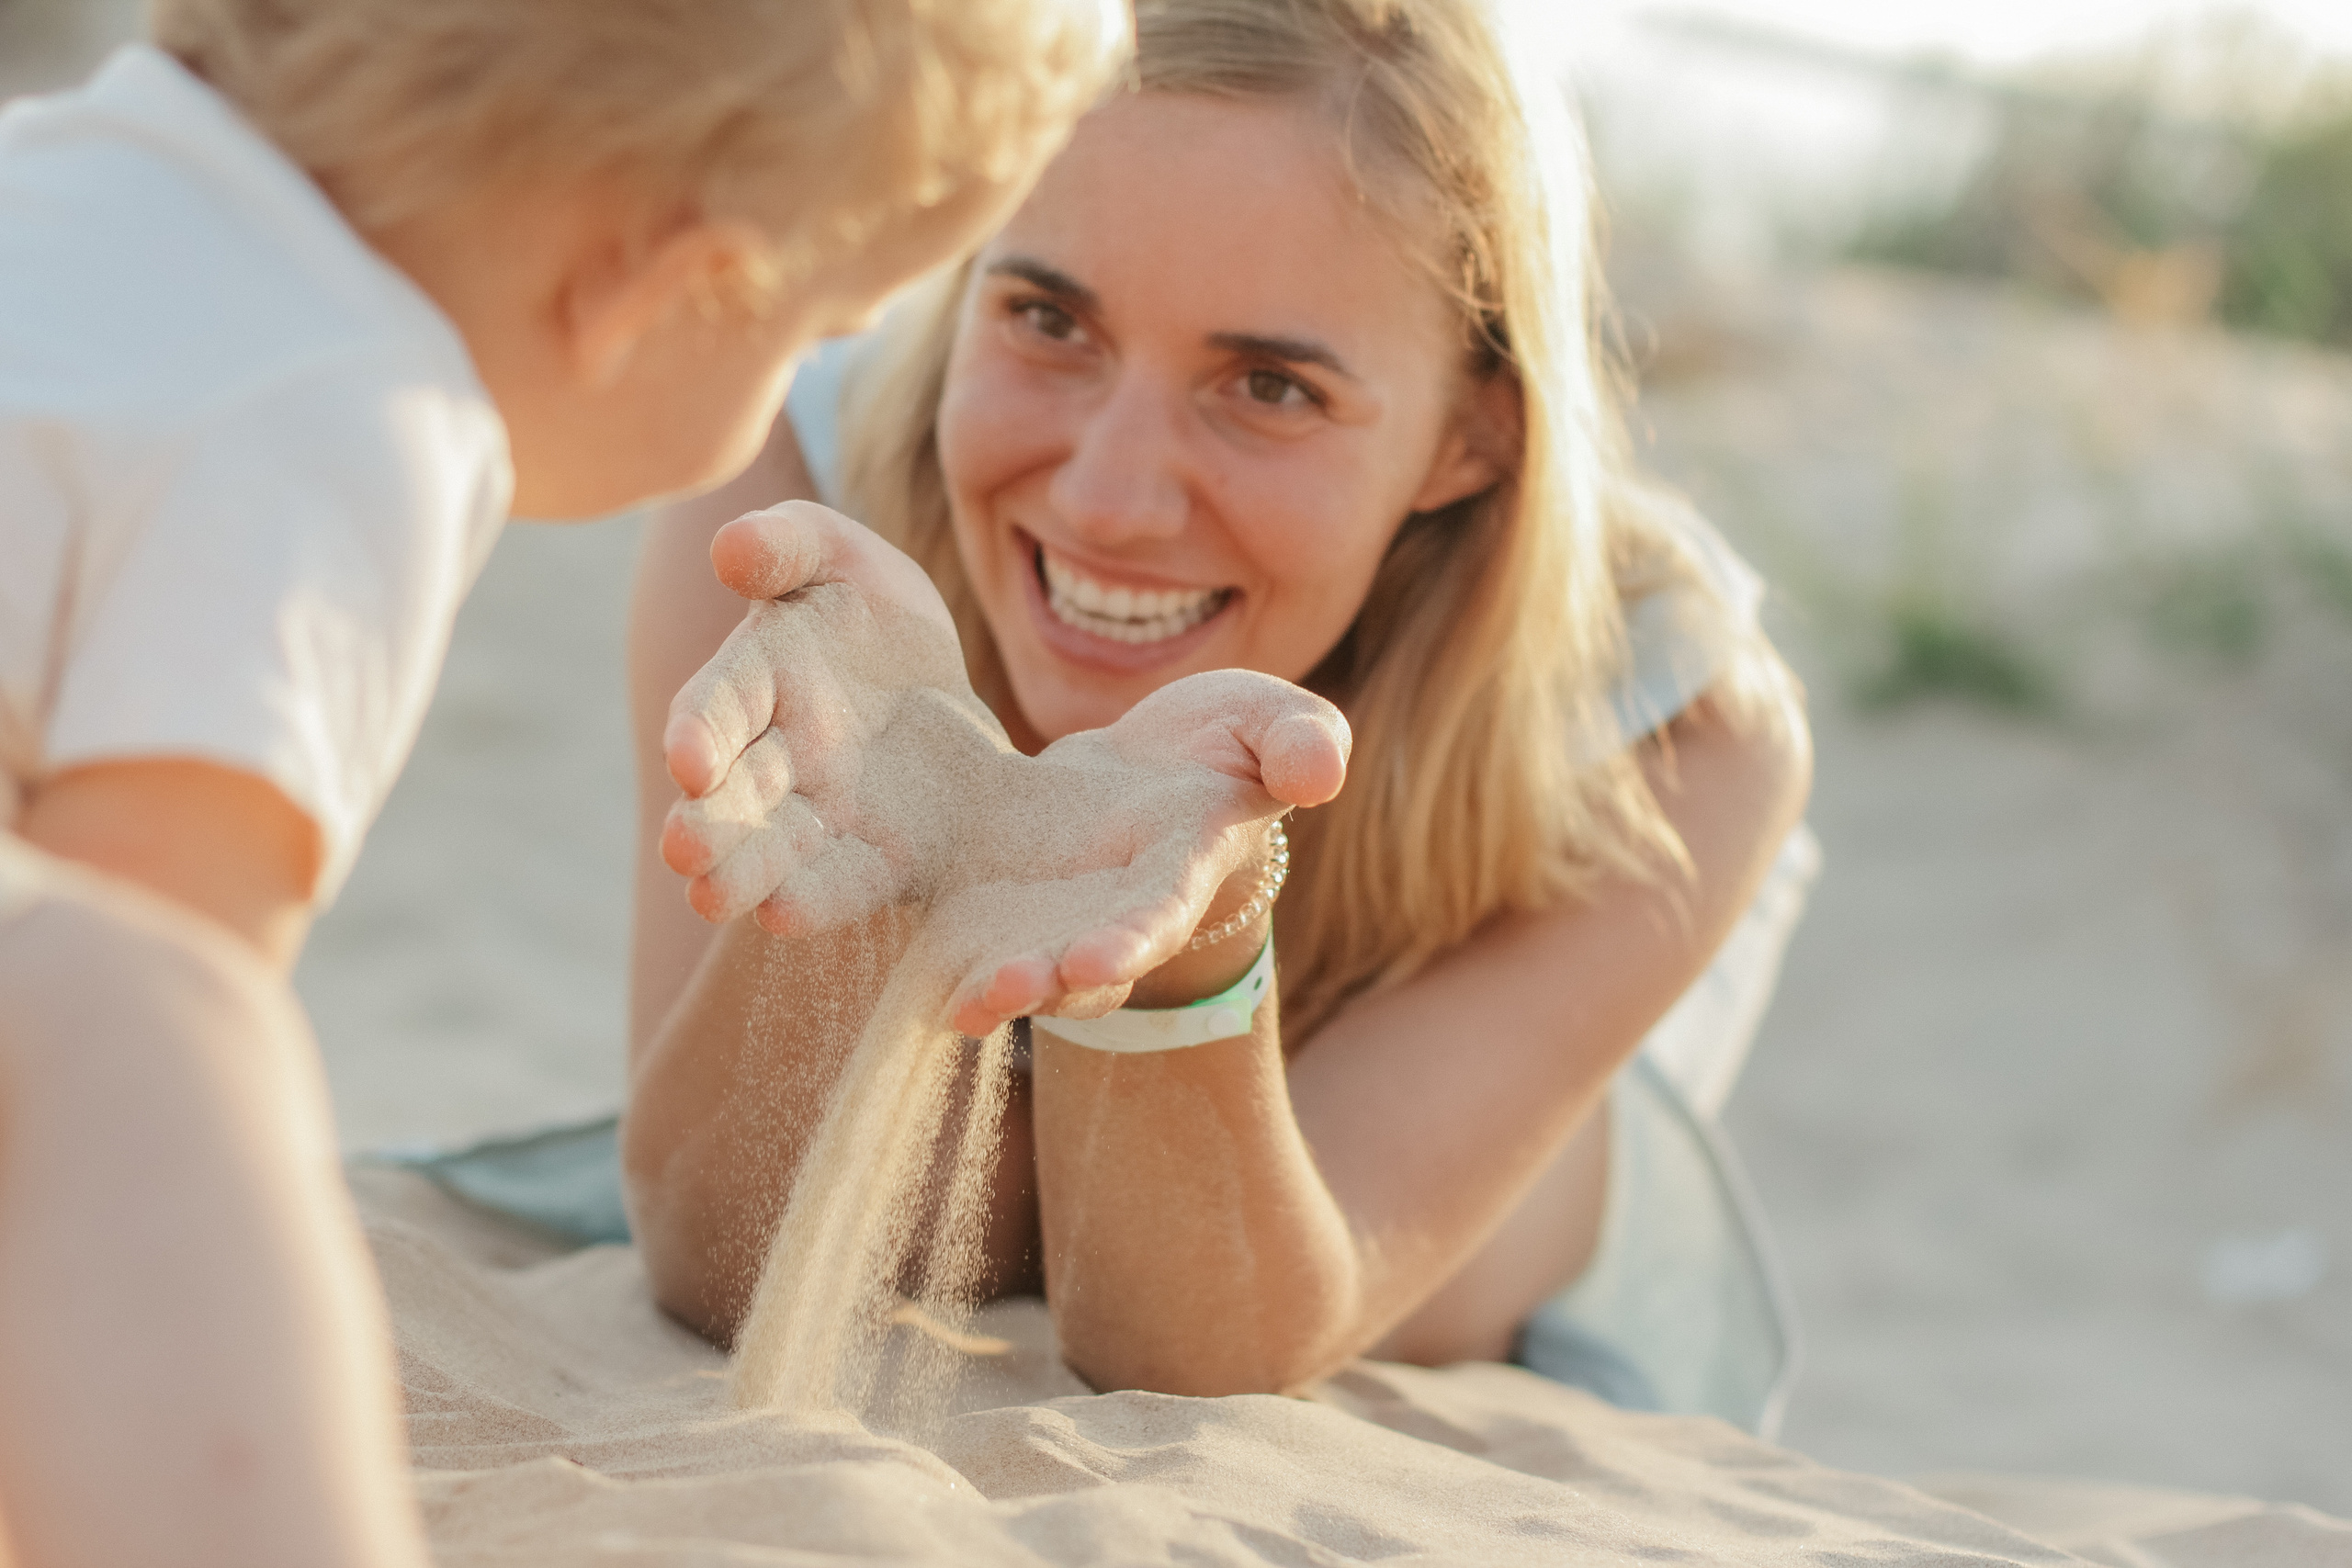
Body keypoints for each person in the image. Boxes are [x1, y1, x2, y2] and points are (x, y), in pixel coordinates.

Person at [0, 1, 1127, 1562]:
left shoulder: (59, 177)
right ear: (666, 290)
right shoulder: (347, 408)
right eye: (813, 330)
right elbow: (127, 1008)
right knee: (169, 1039)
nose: (793, 385)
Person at [627, 0, 1817, 1428]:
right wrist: (901, 824)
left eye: (1269, 387)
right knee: (995, 1155)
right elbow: (711, 1256)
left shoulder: (1679, 727)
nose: (1107, 498)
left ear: (1471, 435)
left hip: (1452, 1236)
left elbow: (1202, 1341)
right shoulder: (796, 487)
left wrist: (1200, 923)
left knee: (1447, 1247)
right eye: (1047, 318)